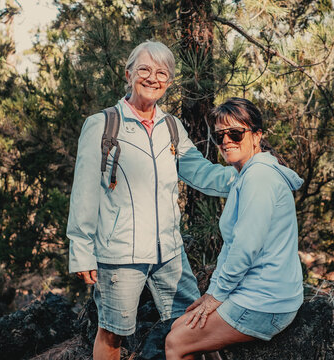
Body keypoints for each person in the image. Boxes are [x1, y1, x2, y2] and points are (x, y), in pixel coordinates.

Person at [67, 40, 237, 360]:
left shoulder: (171, 126)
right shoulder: (102, 125)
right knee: (113, 333)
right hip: (119, 252)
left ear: (169, 82)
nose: (152, 78)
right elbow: (84, 192)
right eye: (144, 69)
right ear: (128, 73)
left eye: (162, 72)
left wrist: (247, 175)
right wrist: (81, 249)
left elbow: (200, 172)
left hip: (170, 251)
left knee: (193, 323)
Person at [164, 97, 304, 359]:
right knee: (179, 326)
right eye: (220, 136)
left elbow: (245, 248)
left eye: (236, 133)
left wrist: (216, 297)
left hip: (266, 302)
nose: (226, 140)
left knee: (176, 342)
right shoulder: (247, 174)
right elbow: (231, 248)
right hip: (256, 292)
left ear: (257, 136)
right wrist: (212, 293)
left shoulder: (259, 178)